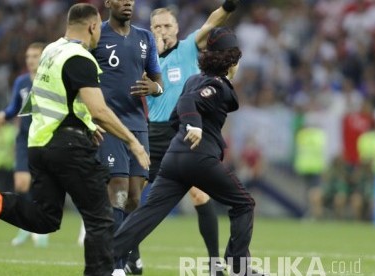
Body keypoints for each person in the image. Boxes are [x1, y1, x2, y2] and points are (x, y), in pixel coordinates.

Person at [0, 4, 150, 276]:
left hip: (39, 146)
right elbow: (99, 110)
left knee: (46, 217)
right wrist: (133, 142)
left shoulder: (50, 52)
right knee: (101, 219)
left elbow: (54, 98)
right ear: (92, 26)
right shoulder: (81, 58)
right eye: (98, 28)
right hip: (69, 146)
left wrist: (85, 122)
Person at [113, 27, 262, 276]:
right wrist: (194, 125)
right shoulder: (218, 86)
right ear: (231, 62)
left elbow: (174, 118)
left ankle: (106, 257)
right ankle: (239, 266)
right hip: (200, 159)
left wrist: (185, 132)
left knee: (149, 213)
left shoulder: (193, 80)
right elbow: (186, 103)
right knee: (244, 204)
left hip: (175, 158)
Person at [146, 2, 240, 271]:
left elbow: (211, 23)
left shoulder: (188, 47)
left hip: (184, 131)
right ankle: (130, 259)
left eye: (167, 25)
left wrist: (228, 7)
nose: (163, 30)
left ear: (177, 27)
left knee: (199, 194)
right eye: (157, 26)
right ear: (151, 30)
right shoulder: (144, 58)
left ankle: (214, 262)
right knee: (133, 195)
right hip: (152, 133)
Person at [92, 0, 162, 273]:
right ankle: (116, 265)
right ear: (108, 2)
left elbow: (158, 82)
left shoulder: (145, 38)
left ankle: (128, 254)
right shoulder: (97, 34)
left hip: (138, 124)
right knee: (118, 189)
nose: (128, 3)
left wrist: (153, 88)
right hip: (109, 123)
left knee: (134, 198)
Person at [0, 42, 50, 247]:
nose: (30, 60)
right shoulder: (21, 82)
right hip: (24, 138)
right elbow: (14, 107)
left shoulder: (52, 81)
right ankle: (28, 225)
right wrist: (4, 114)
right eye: (28, 56)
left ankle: (40, 226)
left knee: (41, 183)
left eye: (35, 56)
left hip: (46, 138)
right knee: (21, 184)